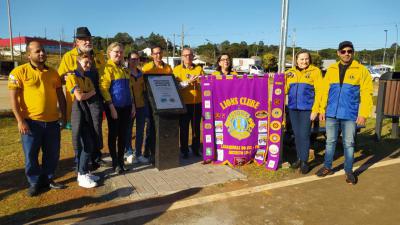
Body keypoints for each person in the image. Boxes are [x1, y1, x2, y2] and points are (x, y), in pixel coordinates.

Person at [8, 41, 67, 196]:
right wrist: (20, 121)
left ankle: (48, 179)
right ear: (29, 55)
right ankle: (34, 182)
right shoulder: (19, 72)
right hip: (31, 122)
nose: (42, 54)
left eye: (43, 51)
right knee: (31, 155)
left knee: (52, 153)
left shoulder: (53, 73)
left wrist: (64, 116)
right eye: (37, 51)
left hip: (53, 122)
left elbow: (60, 96)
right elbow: (13, 100)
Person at [316, 41, 373, 184]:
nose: (346, 53)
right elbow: (324, 90)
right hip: (331, 113)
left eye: (349, 51)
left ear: (353, 52)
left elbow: (367, 93)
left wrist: (363, 113)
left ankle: (349, 171)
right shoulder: (331, 69)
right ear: (338, 53)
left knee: (349, 143)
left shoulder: (361, 70)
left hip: (349, 113)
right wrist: (322, 109)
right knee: (330, 141)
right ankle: (327, 166)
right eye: (343, 51)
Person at [58, 27, 106, 169]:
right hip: (78, 100)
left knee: (96, 127)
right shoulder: (68, 56)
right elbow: (59, 78)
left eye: (89, 39)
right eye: (84, 39)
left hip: (95, 98)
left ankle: (96, 157)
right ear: (77, 41)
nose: (87, 41)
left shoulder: (99, 55)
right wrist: (66, 77)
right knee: (78, 130)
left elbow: (104, 75)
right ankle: (79, 161)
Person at [66, 53, 101, 188]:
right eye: (85, 62)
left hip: (88, 115)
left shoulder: (87, 79)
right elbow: (79, 97)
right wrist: (89, 93)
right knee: (86, 145)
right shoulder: (72, 77)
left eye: (90, 63)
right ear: (78, 61)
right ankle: (81, 174)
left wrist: (88, 94)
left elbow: (93, 92)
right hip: (78, 114)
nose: (88, 65)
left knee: (90, 143)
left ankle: (84, 171)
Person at [285, 50, 323, 174]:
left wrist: (315, 110)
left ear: (309, 59)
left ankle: (305, 161)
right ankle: (299, 158)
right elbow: (284, 90)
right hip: (293, 109)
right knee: (297, 135)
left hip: (307, 110)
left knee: (304, 134)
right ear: (296, 60)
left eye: (306, 59)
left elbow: (319, 92)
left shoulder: (315, 71)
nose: (304, 61)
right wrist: (279, 80)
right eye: (301, 59)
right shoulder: (289, 73)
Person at [100, 42, 135, 174]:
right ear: (109, 53)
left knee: (123, 135)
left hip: (126, 107)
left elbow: (130, 89)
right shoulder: (106, 68)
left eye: (121, 52)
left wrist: (132, 105)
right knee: (113, 135)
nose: (119, 54)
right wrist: (111, 107)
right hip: (114, 108)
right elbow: (103, 88)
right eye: (116, 52)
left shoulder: (124, 69)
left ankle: (121, 161)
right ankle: (115, 163)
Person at [142, 46, 173, 163]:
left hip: (164, 101)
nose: (158, 56)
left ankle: (162, 151)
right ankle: (148, 152)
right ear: (151, 55)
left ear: (163, 54)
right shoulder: (146, 68)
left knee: (163, 126)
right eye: (155, 54)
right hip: (150, 101)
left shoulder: (168, 68)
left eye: (160, 53)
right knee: (150, 127)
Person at [173, 48, 204, 158]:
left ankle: (195, 149)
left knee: (196, 128)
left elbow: (204, 85)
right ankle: (184, 150)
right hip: (183, 104)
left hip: (197, 103)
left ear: (193, 56)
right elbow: (176, 87)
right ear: (182, 57)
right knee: (184, 128)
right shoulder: (176, 69)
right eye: (185, 55)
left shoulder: (199, 68)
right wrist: (188, 82)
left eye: (190, 55)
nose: (188, 57)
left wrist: (198, 82)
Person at [125, 51, 149, 164]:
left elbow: (144, 90)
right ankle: (129, 152)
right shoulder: (124, 73)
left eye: (137, 59)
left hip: (141, 106)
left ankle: (138, 153)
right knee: (128, 130)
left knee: (140, 130)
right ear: (128, 60)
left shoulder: (141, 74)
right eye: (133, 59)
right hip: (129, 106)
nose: (135, 61)